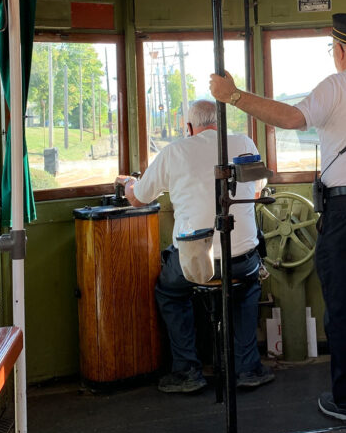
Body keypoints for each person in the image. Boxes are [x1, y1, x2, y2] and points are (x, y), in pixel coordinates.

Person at [210, 13, 346, 423]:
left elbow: (291, 119)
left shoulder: (338, 86)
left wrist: (232, 96)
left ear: (340, 50)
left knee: (343, 308)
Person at [116, 99, 274, 394]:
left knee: (170, 291)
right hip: (243, 257)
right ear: (221, 119)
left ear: (189, 127)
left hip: (195, 263)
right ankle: (248, 368)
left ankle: (188, 371)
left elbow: (139, 198)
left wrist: (127, 184)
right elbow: (255, 189)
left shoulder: (175, 151)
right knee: (247, 288)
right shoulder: (244, 142)